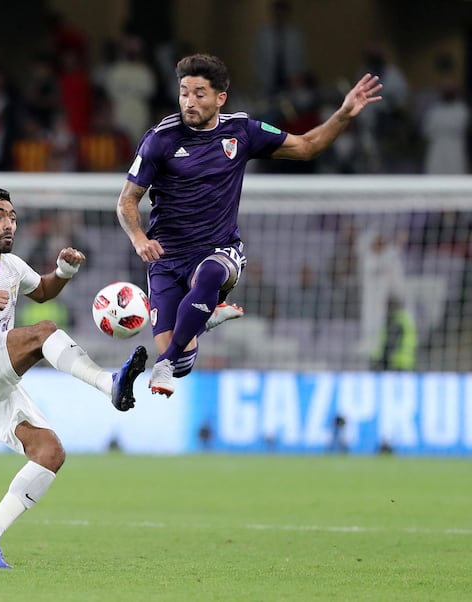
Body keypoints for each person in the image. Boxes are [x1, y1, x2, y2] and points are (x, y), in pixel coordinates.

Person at [116, 53, 383, 396]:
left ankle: (163, 363)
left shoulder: (241, 130)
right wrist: (138, 238)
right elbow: (126, 200)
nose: (189, 101)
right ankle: (201, 321)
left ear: (219, 98)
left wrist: (343, 114)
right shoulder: (160, 139)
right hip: (166, 257)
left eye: (199, 93)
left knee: (208, 279)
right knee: (184, 366)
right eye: (184, 92)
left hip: (219, 250)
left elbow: (306, 146)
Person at [0, 187, 147, 568]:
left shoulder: (12, 266)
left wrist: (65, 271)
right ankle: (108, 384)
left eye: (12, 216)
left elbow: (43, 290)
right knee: (42, 332)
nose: (9, 223)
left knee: (50, 453)